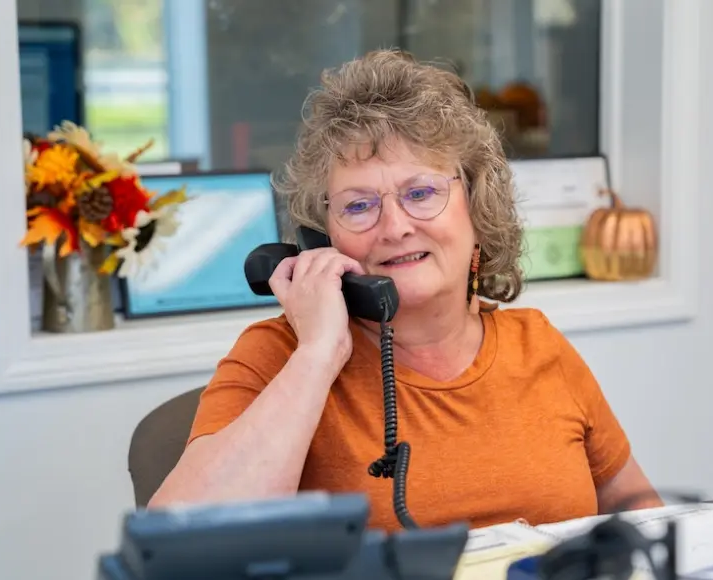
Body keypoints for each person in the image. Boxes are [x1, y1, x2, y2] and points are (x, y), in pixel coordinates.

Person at [148, 49, 661, 531]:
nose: (394, 227)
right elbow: (178, 542)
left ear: (477, 209)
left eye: (421, 193)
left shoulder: (540, 345)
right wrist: (320, 353)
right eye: (358, 205)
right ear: (321, 237)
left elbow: (640, 512)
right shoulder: (279, 355)